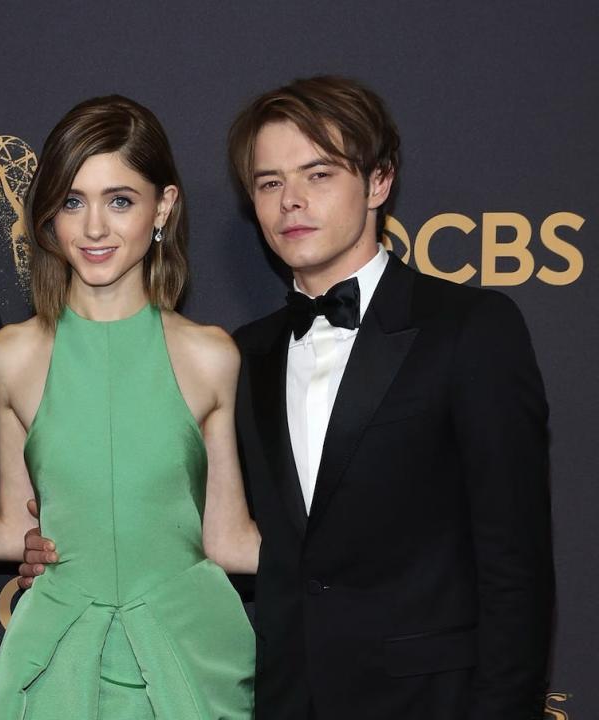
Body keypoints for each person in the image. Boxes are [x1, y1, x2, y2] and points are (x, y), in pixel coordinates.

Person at [227, 76, 554, 719]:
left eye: (318, 174)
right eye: (269, 183)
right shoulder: (243, 354)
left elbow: (515, 568)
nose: (290, 201)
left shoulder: (471, 329)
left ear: (378, 182)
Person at [0, 95, 258, 719]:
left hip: (189, 652)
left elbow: (229, 538)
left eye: (120, 200)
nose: (94, 228)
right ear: (49, 213)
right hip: (57, 656)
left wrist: (373, 558)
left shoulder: (211, 357)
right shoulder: (13, 357)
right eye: (73, 201)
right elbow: (11, 527)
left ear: (163, 207)